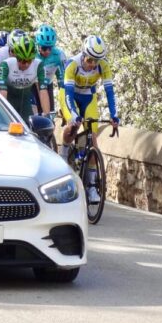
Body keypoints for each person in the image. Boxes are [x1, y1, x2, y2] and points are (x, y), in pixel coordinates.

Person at [59, 35, 119, 203]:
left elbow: (109, 92)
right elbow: (69, 95)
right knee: (73, 125)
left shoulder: (103, 66)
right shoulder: (72, 64)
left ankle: (91, 186)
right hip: (70, 95)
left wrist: (114, 115)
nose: (93, 64)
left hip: (88, 97)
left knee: (93, 141)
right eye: (90, 60)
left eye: (97, 61)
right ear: (84, 54)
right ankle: (64, 152)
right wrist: (73, 115)